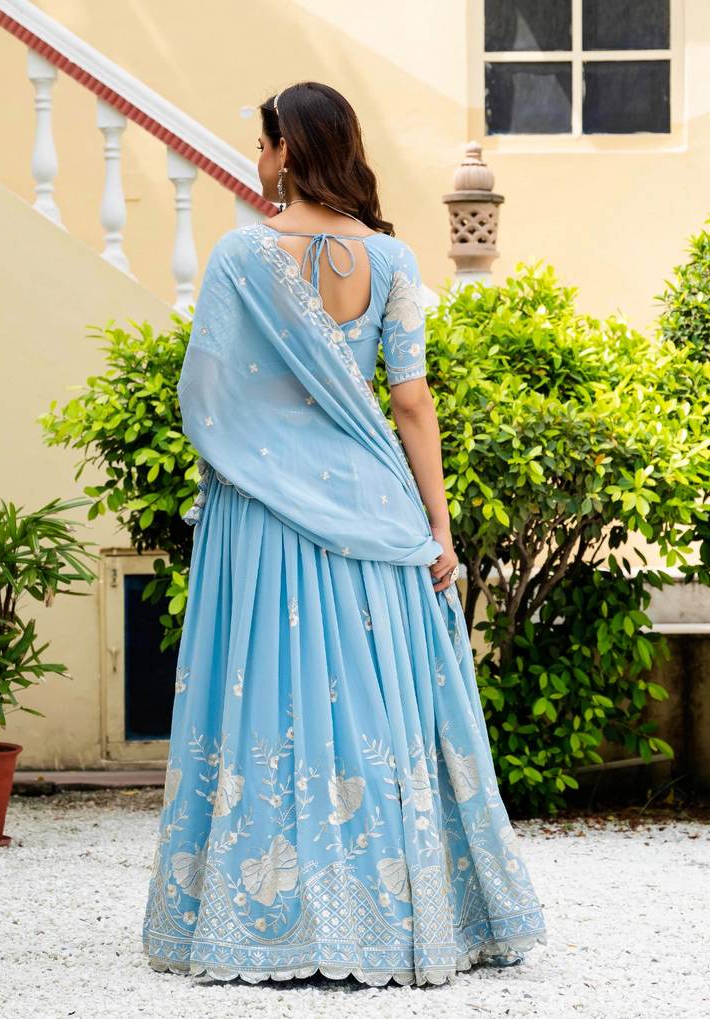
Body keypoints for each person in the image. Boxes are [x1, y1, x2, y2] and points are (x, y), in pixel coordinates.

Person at [141, 81, 547, 987]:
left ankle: (269, 919)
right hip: (375, 509)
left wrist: (251, 453)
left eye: (263, 143)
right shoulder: (392, 260)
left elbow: (206, 392)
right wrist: (438, 527)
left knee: (270, 704)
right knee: (377, 708)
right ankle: (404, 914)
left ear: (288, 149)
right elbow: (411, 401)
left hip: (265, 512)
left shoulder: (241, 257)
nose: (257, 159)